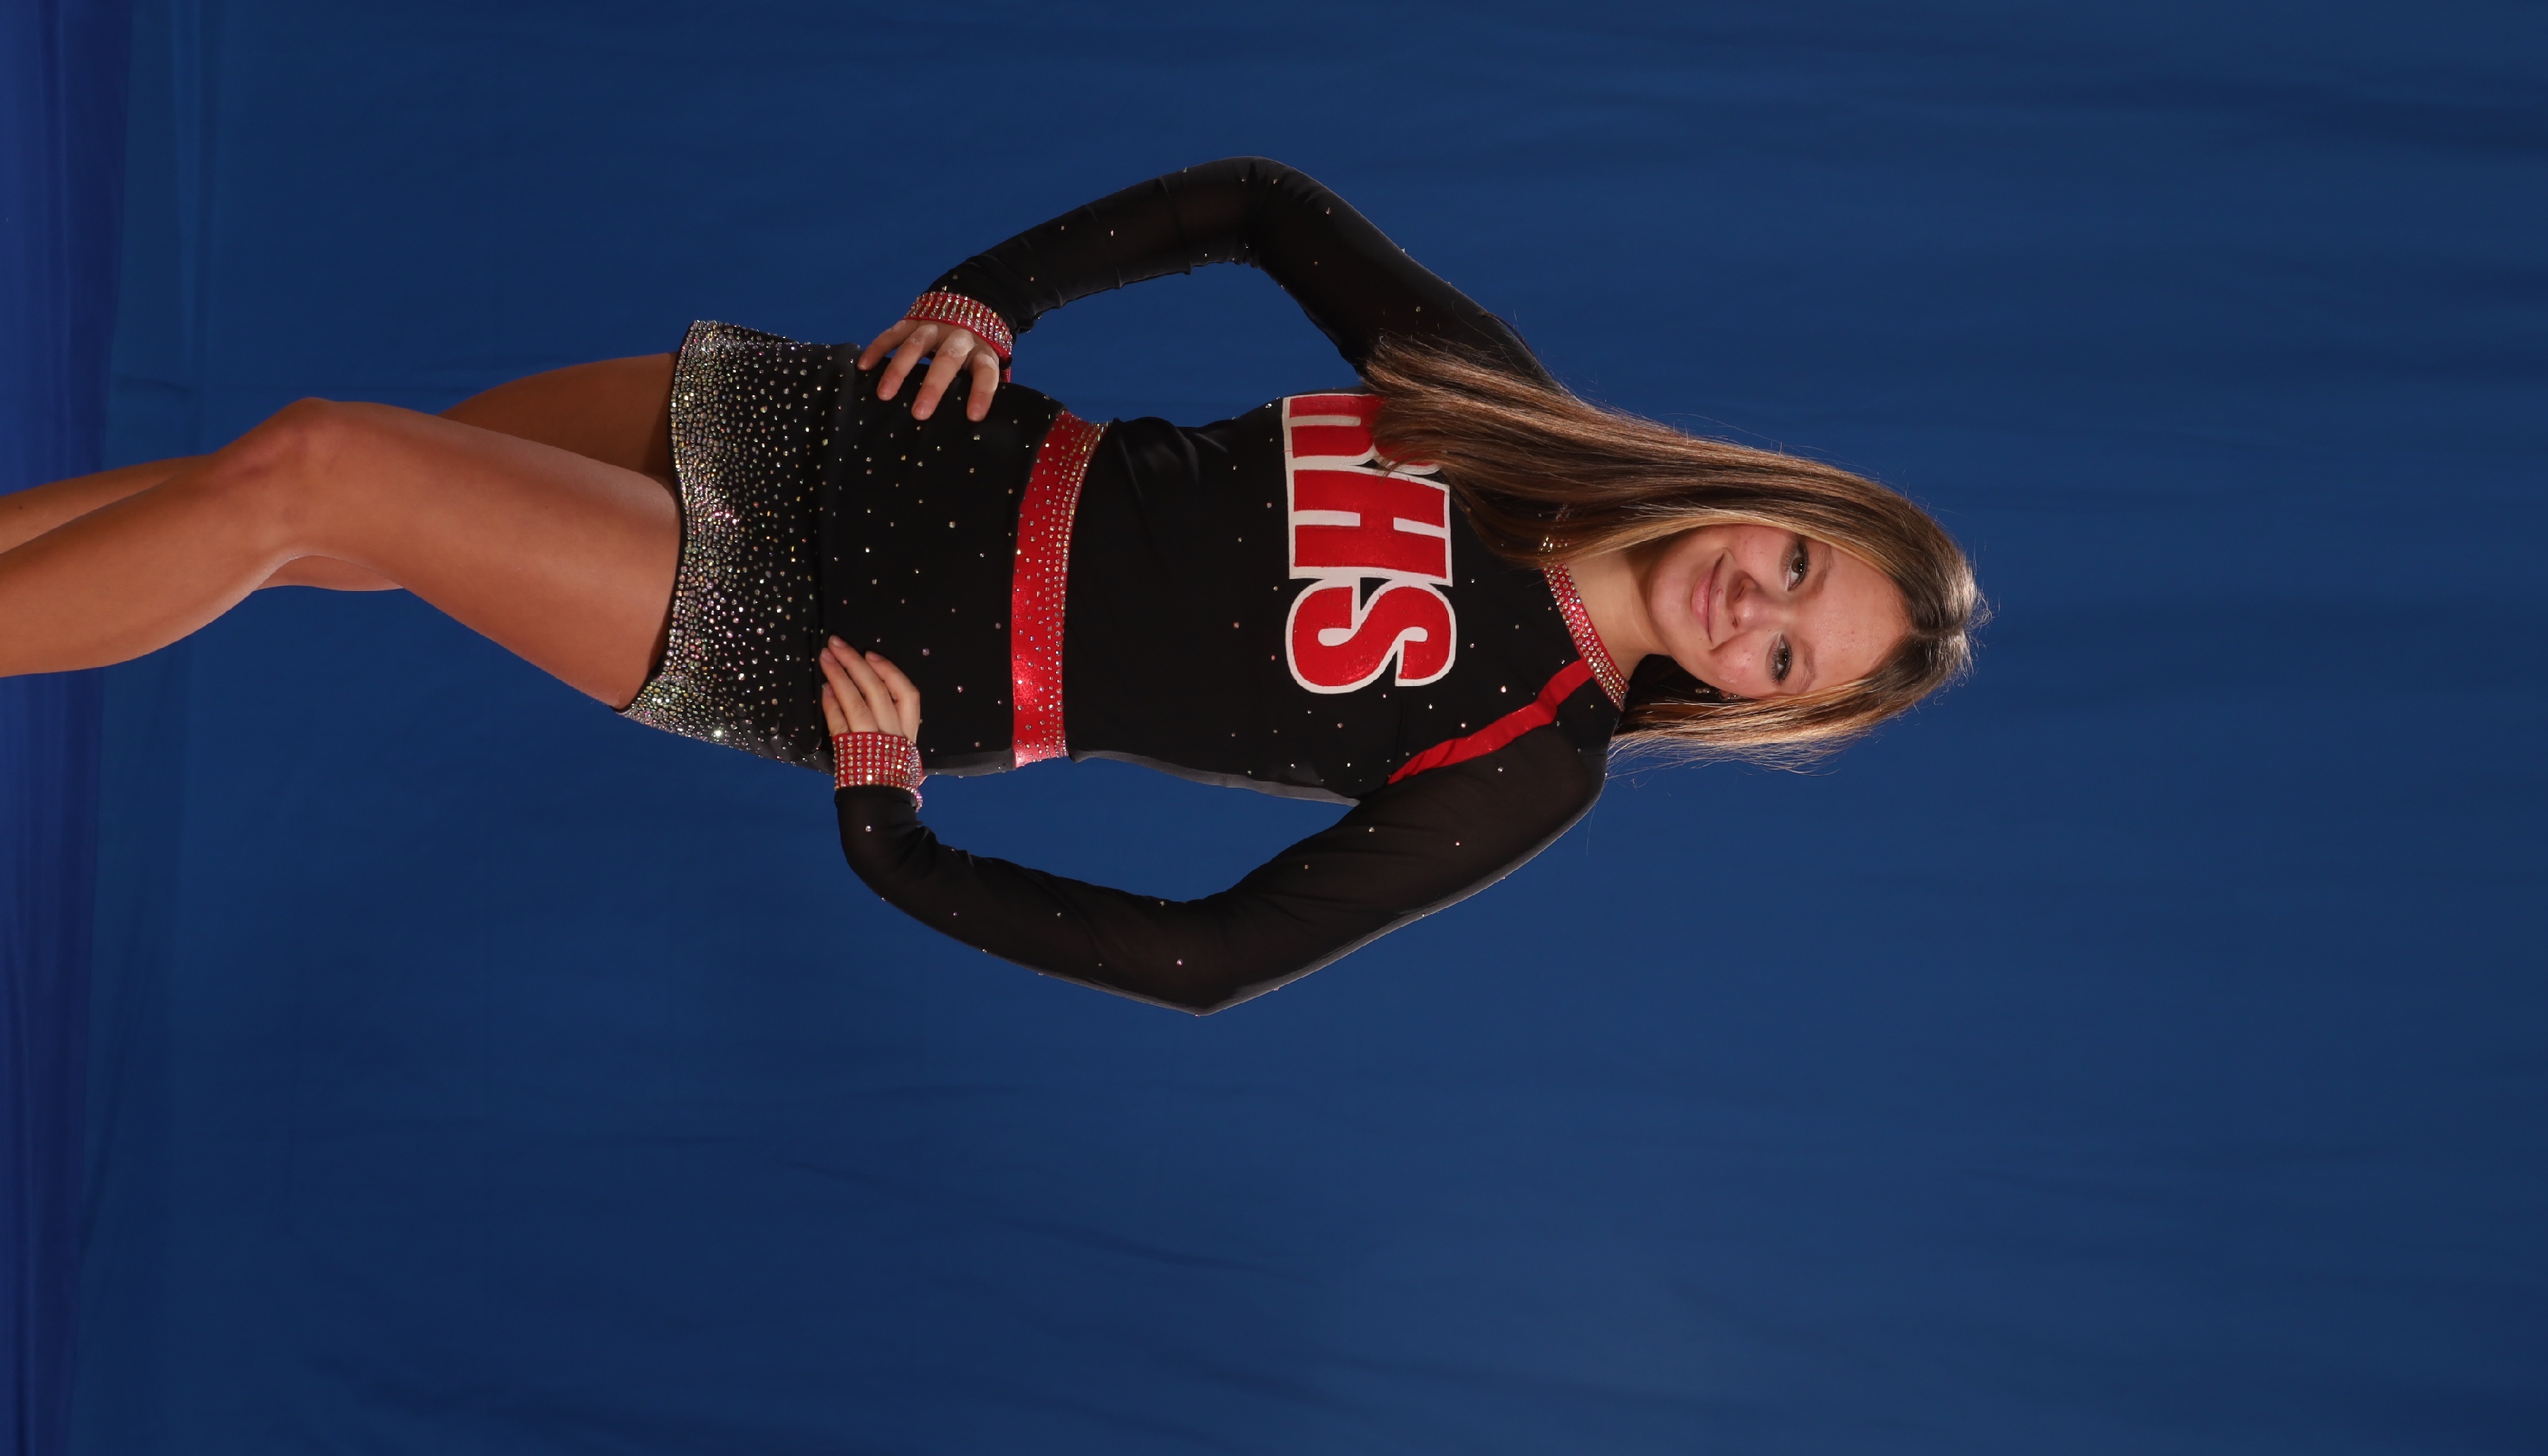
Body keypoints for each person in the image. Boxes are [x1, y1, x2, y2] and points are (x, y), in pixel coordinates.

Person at [0, 160, 1980, 1012]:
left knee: (322, 472)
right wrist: (996, 293)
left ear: (1767, 706)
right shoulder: (1500, 414)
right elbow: (1261, 203)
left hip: (854, 645)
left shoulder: (1534, 760)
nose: (1755, 607)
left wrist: (901, 849)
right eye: (1799, 563)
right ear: (1775, 498)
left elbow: (1217, 959)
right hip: (877, 434)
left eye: (1790, 655)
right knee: (302, 502)